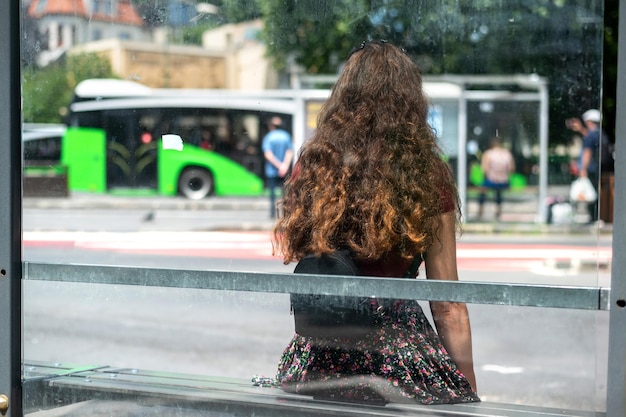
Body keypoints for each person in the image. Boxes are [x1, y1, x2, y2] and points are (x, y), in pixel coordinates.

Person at [272, 41, 479, 405]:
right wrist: (468, 391)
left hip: (321, 357)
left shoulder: (317, 167)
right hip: (394, 358)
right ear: (410, 101)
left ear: (343, 98)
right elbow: (447, 305)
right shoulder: (425, 176)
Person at [566, 109, 608, 223]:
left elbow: (587, 152)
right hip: (599, 168)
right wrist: (580, 129)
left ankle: (594, 217)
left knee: (592, 193)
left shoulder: (591, 136)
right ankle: (597, 216)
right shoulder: (600, 134)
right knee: (595, 191)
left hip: (591, 168)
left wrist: (583, 168)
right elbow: (589, 136)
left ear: (589, 121)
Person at [477, 136, 515, 220]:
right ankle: (498, 210)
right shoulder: (507, 154)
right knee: (498, 191)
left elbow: (484, 169)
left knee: (482, 190)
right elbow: (512, 169)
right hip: (504, 182)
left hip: (491, 181)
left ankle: (480, 211)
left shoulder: (488, 154)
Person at [262, 116, 293, 218]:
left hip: (272, 171)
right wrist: (284, 166)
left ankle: (272, 213)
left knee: (272, 194)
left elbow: (268, 154)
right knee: (285, 193)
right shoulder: (286, 136)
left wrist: (278, 166)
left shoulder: (268, 137)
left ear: (271, 126)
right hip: (284, 170)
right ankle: (285, 213)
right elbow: (289, 152)